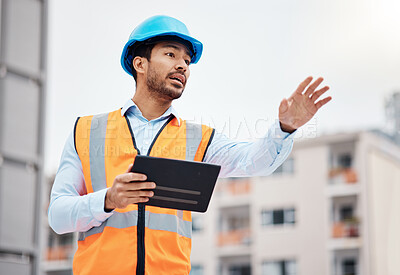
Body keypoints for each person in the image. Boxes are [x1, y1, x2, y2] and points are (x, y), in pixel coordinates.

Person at [48, 15, 331, 275]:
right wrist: (108, 199)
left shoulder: (199, 139)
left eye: (186, 60)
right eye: (170, 54)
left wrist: (285, 127)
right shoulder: (86, 131)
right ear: (140, 63)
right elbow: (58, 216)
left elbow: (253, 160)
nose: (182, 65)